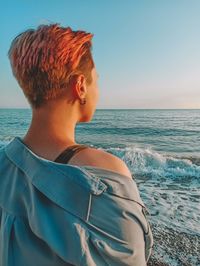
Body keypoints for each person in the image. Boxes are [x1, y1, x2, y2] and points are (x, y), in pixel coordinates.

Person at [0, 23, 153, 265]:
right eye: (96, 81)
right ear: (80, 86)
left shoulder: (3, 162)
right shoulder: (106, 176)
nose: (98, 90)